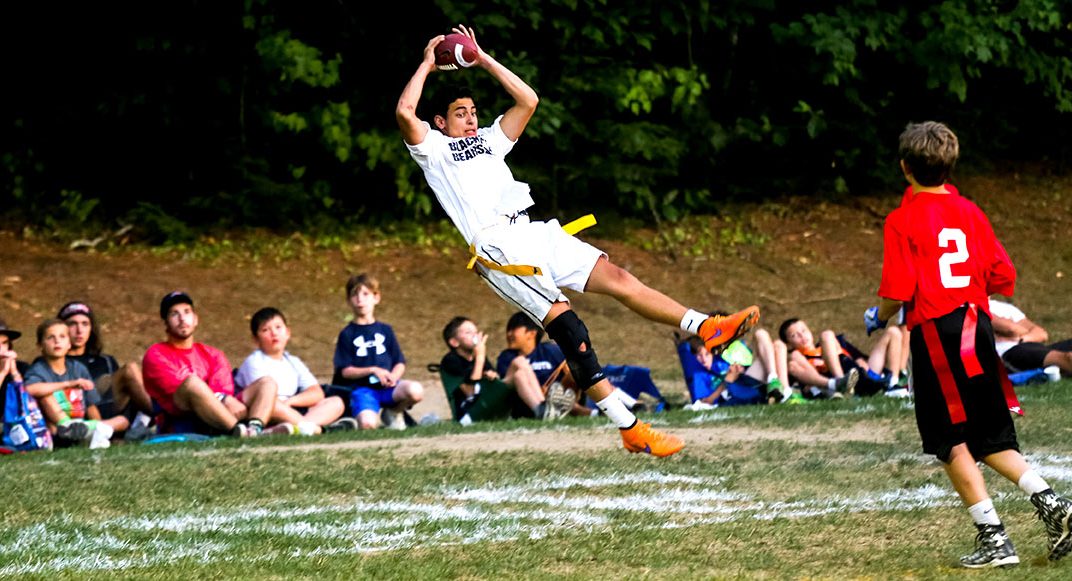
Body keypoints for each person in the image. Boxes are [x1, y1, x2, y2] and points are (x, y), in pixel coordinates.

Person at [396, 25, 761, 456]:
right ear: (441, 121)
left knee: (619, 277)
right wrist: (426, 63)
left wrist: (482, 57)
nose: (472, 118)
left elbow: (528, 100)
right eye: (461, 113)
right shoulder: (434, 150)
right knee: (571, 329)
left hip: (532, 230)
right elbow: (404, 112)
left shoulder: (490, 141)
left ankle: (707, 327)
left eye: (473, 111)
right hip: (497, 250)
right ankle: (629, 427)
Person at [865, 120, 1072, 567]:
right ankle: (1054, 504)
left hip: (938, 335)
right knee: (988, 432)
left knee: (948, 438)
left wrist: (877, 317)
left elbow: (897, 291)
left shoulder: (902, 220)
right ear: (951, 164)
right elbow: (1003, 275)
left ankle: (994, 538)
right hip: (976, 329)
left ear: (905, 168)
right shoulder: (972, 212)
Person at [142, 291, 267, 437]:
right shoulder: (156, 354)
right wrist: (224, 399)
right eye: (174, 314)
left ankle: (255, 430)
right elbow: (180, 390)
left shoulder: (213, 354)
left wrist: (225, 399)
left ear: (195, 319)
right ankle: (237, 431)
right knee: (193, 383)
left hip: (221, 411)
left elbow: (223, 389)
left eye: (187, 312)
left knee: (267, 383)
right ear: (166, 323)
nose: (182, 319)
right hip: (182, 415)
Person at [235, 307, 355, 435]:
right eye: (265, 330)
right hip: (264, 411)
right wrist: (286, 406)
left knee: (335, 402)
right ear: (256, 339)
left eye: (278, 327)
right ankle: (315, 429)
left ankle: (289, 430)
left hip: (290, 409)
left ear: (287, 332)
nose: (274, 333)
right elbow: (263, 398)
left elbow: (316, 392)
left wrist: (291, 401)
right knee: (274, 404)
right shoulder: (254, 361)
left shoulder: (293, 361)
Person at [331, 273, 424, 430]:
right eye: (355, 295)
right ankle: (365, 414)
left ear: (376, 298)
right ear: (348, 301)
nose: (360, 299)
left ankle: (393, 412)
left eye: (366, 294)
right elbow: (345, 371)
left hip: (388, 388)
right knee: (367, 425)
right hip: (363, 390)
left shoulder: (385, 330)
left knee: (415, 390)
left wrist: (394, 377)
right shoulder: (347, 334)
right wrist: (372, 370)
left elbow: (399, 362)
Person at [441, 316, 571, 423]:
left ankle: (542, 410)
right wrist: (480, 356)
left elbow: (493, 379)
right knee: (518, 361)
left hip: (487, 404)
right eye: (468, 333)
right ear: (454, 342)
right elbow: (471, 390)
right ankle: (544, 406)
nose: (475, 336)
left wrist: (491, 374)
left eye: (475, 332)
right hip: (468, 414)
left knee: (520, 373)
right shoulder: (451, 360)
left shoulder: (480, 357)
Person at [57, 301, 154, 440]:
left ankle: (157, 417)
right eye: (72, 324)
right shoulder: (55, 361)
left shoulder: (105, 360)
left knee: (131, 371)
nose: (79, 330)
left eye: (85, 324)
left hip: (110, 412)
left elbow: (122, 398)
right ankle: (158, 418)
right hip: (76, 414)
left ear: (91, 329)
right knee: (125, 372)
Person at [22, 319, 111, 448]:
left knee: (117, 423)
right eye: (51, 337)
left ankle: (86, 432)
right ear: (40, 345)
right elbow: (29, 389)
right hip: (53, 429)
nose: (57, 341)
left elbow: (90, 406)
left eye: (62, 337)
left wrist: (98, 426)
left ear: (69, 343)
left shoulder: (78, 369)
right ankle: (69, 427)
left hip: (80, 422)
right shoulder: (37, 369)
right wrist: (68, 384)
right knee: (45, 395)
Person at [684, 327, 792, 407]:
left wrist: (739, 371)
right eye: (699, 356)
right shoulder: (698, 375)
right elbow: (707, 401)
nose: (703, 359)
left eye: (707, 354)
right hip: (739, 392)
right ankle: (783, 390)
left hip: (747, 383)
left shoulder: (721, 361)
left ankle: (777, 383)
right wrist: (728, 379)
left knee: (773, 341)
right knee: (774, 344)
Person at [988, 297, 1072, 377]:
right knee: (1066, 358)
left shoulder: (1003, 307)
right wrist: (1023, 331)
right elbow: (1011, 329)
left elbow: (1041, 334)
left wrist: (1020, 339)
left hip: (1029, 346)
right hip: (1009, 354)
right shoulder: (977, 310)